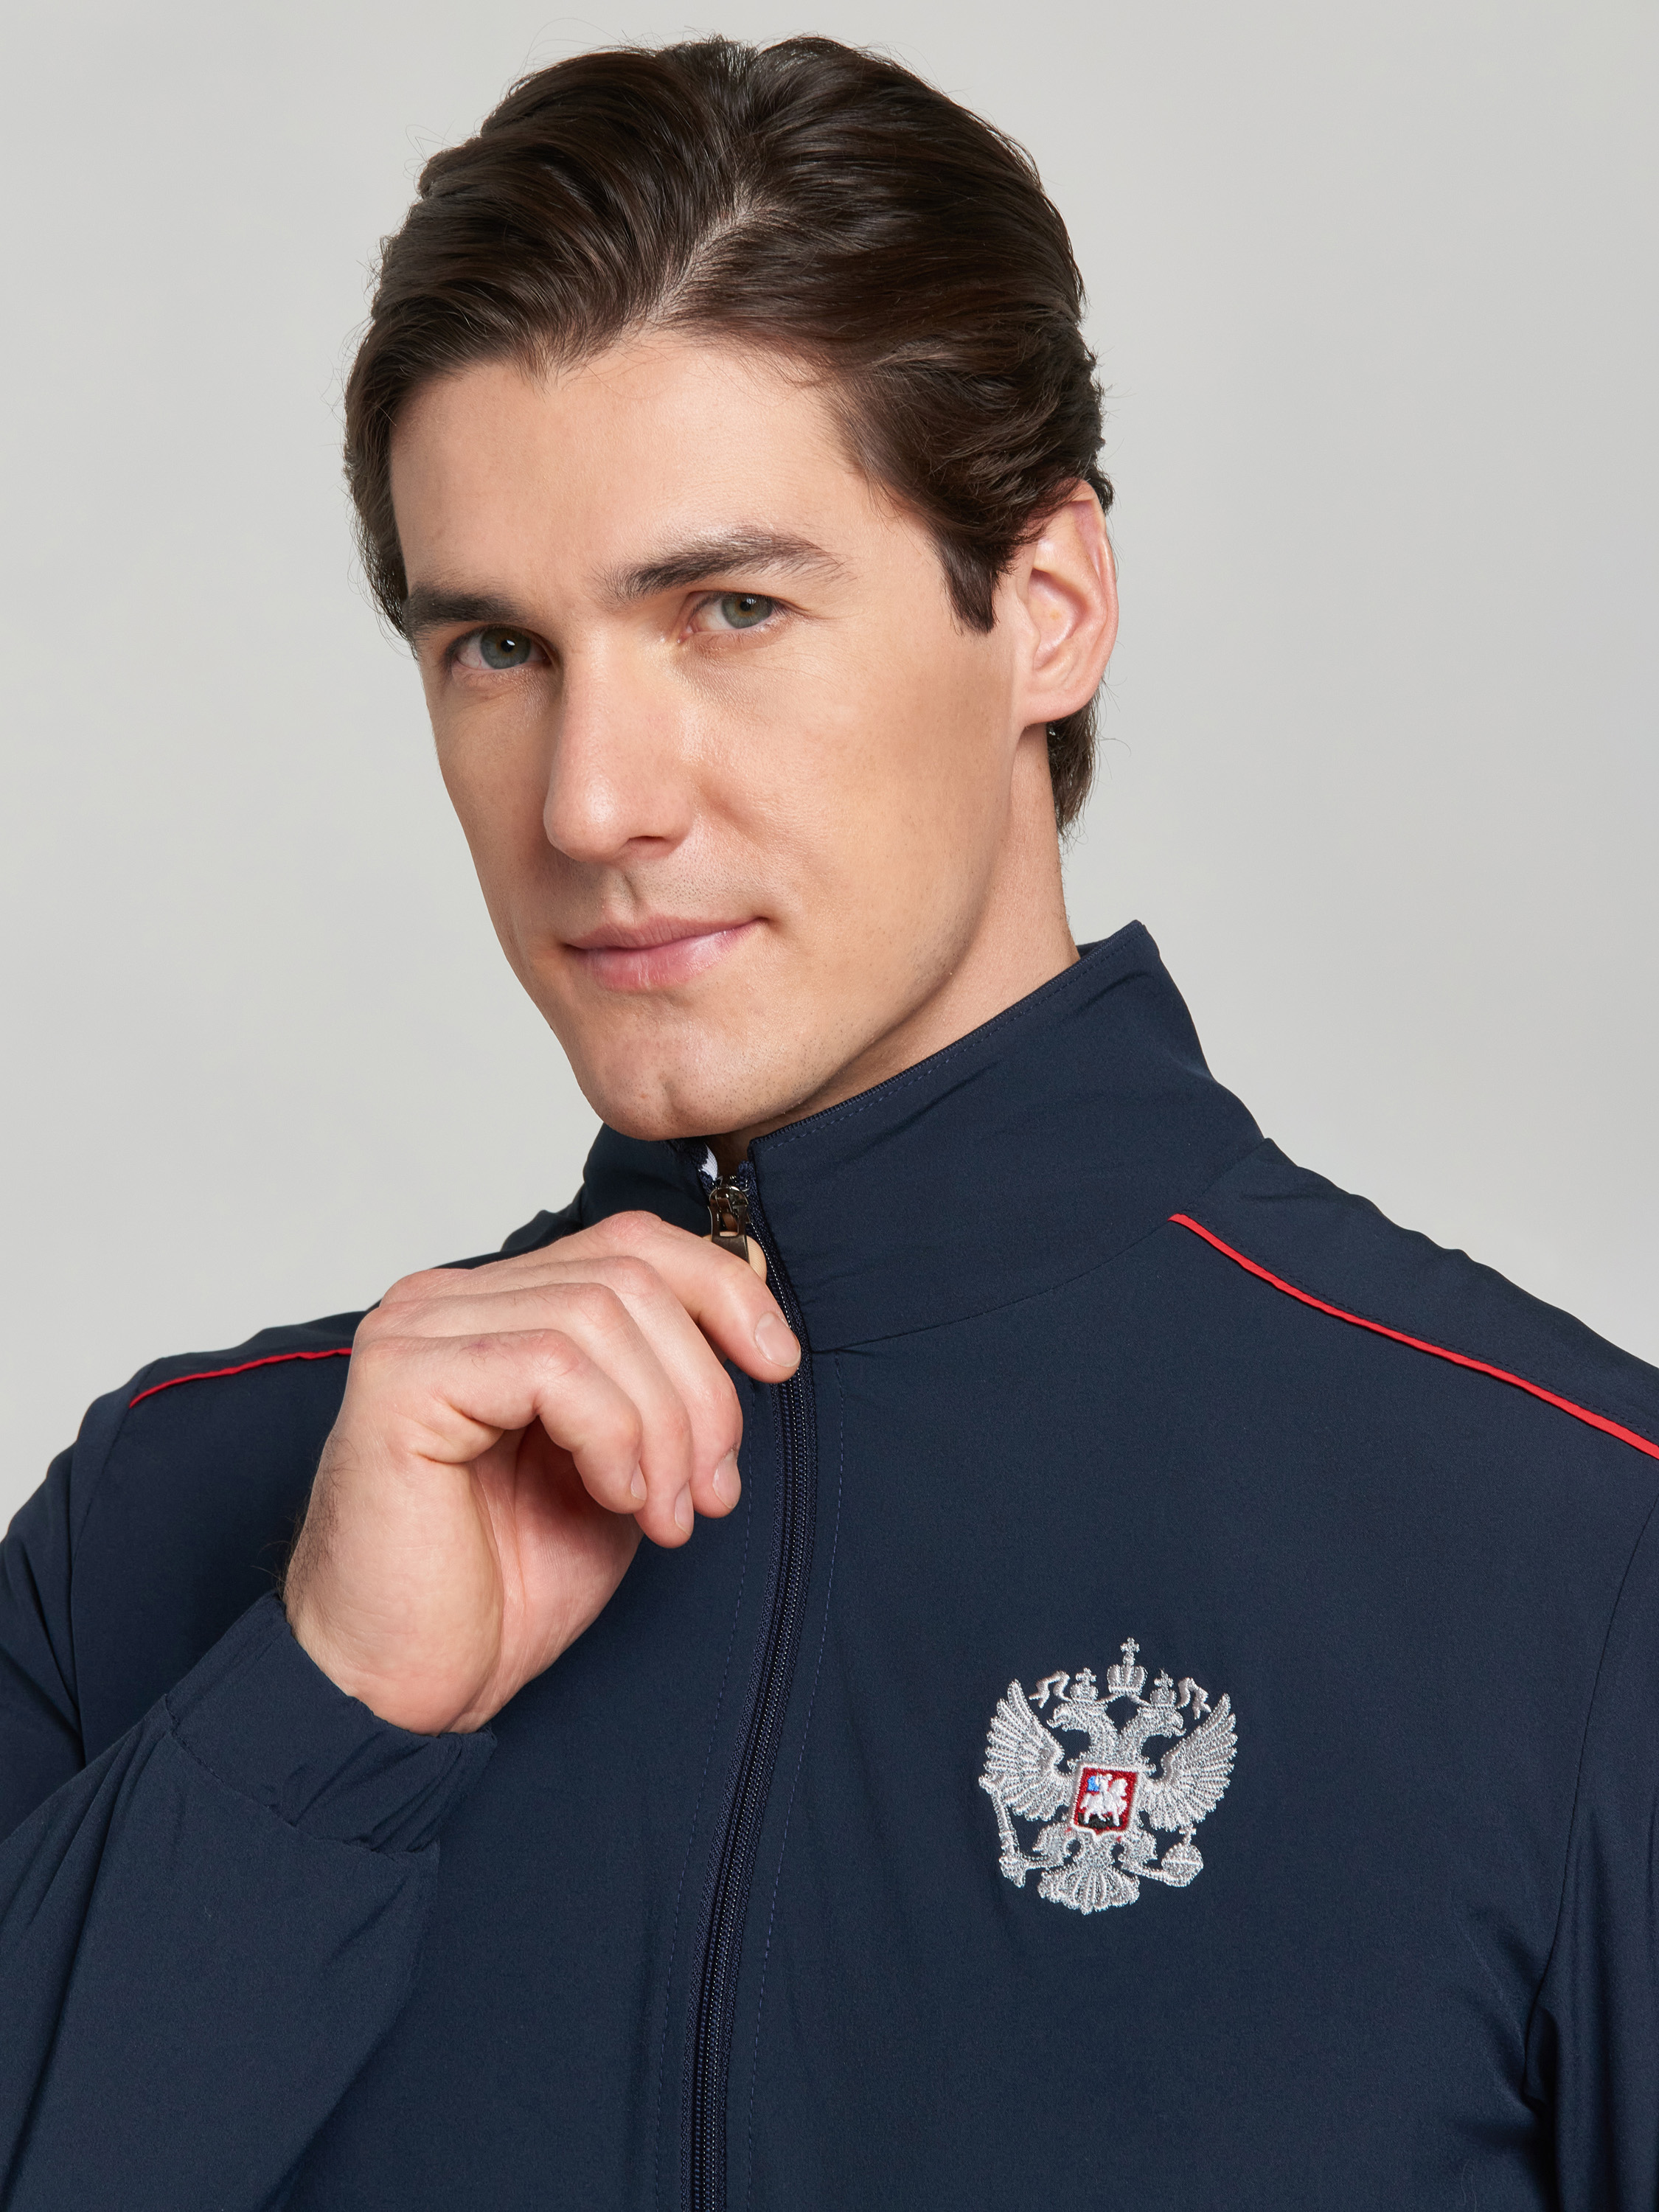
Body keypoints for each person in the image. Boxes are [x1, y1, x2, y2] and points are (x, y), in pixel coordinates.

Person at [1, 32, 1655, 2211]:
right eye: (496, 648)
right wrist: (311, 1732)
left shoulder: (1569, 1556)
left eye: (730, 611)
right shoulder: (166, 1531)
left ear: (1045, 608)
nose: (594, 803)